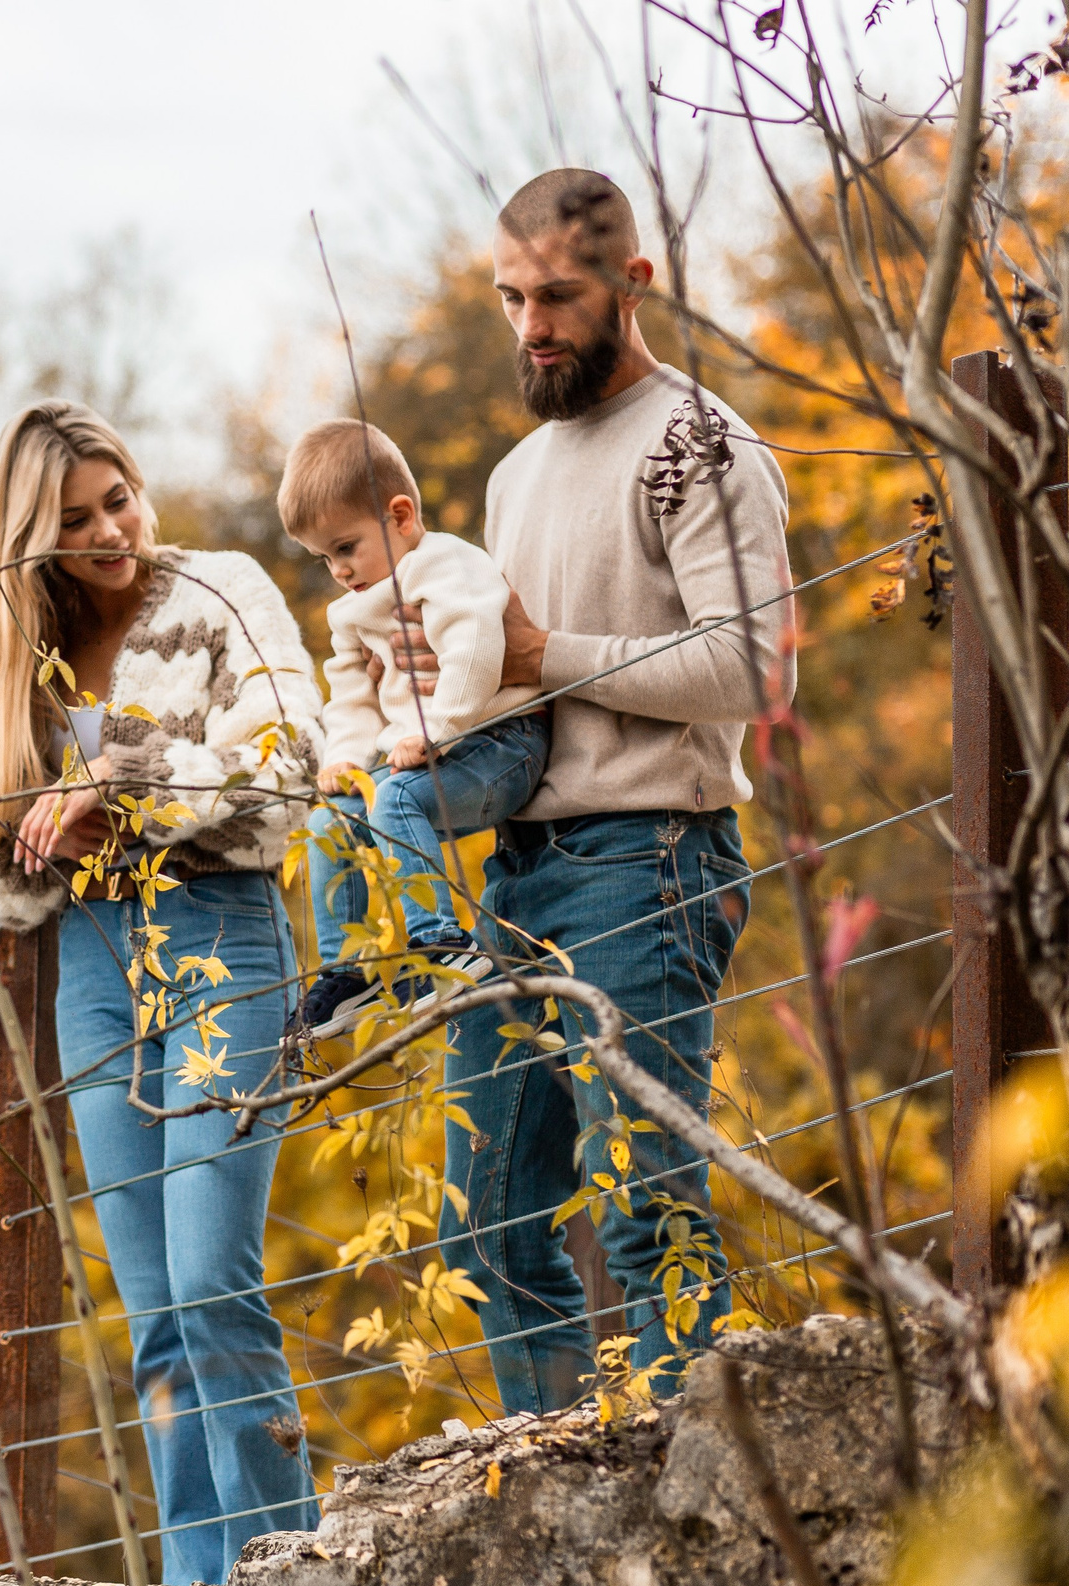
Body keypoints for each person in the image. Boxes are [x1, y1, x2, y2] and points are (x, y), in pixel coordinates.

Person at [387, 169, 793, 1413]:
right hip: (515, 874)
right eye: (510, 298)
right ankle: (557, 1484)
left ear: (633, 281)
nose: (530, 326)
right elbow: (511, 670)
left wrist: (539, 655)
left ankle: (699, 1499)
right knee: (489, 1234)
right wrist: (436, 685)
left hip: (650, 863)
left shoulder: (701, 444)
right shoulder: (512, 477)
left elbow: (752, 667)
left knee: (642, 1211)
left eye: (555, 295)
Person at [0, 401, 325, 1582]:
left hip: (223, 943)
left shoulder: (218, 592)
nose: (114, 529)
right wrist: (27, 839)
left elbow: (295, 768)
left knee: (215, 1285)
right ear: (28, 541)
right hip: (97, 970)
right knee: (155, 1319)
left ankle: (281, 1585)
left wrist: (123, 786)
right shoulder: (24, 657)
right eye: (75, 519)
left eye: (119, 498)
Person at [278, 418, 551, 1039]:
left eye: (346, 548)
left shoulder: (448, 566)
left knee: (395, 797)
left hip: (501, 741)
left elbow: (476, 650)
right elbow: (349, 691)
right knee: (332, 819)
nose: (339, 572)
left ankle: (442, 945)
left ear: (400, 516)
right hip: (427, 755)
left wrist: (435, 729)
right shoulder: (350, 607)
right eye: (324, 558)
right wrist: (346, 756)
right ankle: (345, 973)